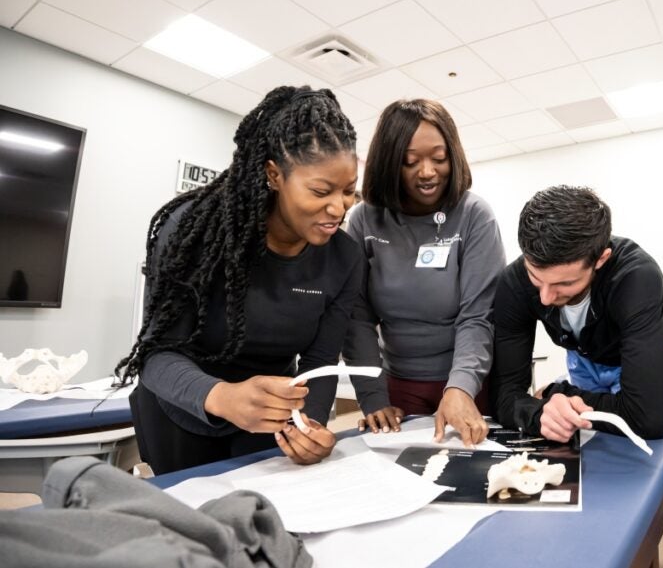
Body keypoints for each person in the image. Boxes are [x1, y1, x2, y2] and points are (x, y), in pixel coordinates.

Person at [115, 86, 364, 475]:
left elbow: (318, 361)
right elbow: (156, 355)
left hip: (273, 418)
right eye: (320, 190)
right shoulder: (193, 233)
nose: (338, 208)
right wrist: (221, 396)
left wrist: (311, 424)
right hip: (183, 410)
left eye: (349, 191)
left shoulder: (345, 258)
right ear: (273, 175)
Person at [343, 99, 505, 446]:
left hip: (468, 381)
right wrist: (373, 397)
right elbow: (356, 317)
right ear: (389, 163)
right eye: (410, 161)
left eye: (439, 158)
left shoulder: (474, 215)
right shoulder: (364, 219)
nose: (428, 171)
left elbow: (478, 315)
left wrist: (461, 386)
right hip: (398, 384)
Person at [490, 185, 663, 443]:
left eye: (564, 284)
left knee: (637, 440)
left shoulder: (637, 278)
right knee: (585, 438)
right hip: (582, 356)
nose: (546, 298)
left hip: (628, 358)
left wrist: (555, 392)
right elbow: (503, 395)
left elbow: (646, 419)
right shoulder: (514, 281)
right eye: (535, 277)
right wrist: (540, 414)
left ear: (601, 259)